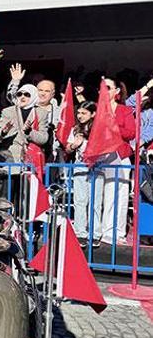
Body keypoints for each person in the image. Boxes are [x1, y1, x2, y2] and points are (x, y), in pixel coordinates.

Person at [99, 77, 135, 245]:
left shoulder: (124, 110)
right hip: (100, 155)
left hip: (119, 156)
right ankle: (100, 230)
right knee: (101, 194)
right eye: (102, 87)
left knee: (119, 194)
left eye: (108, 87)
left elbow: (131, 133)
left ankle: (116, 232)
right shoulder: (96, 109)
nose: (104, 90)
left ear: (116, 91)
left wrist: (113, 125)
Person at [66, 101, 103, 248]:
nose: (80, 116)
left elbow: (107, 147)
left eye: (84, 113)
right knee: (80, 200)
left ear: (93, 114)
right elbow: (68, 149)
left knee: (95, 201)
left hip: (97, 167)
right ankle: (80, 232)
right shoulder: (75, 129)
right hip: (80, 167)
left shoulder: (99, 129)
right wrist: (74, 145)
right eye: (79, 113)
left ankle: (95, 233)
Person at [0, 83, 50, 163]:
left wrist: (29, 132)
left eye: (27, 94)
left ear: (33, 95)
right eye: (19, 94)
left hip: (31, 158)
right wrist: (4, 132)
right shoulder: (8, 112)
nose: (22, 97)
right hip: (10, 157)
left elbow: (44, 138)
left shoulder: (41, 113)